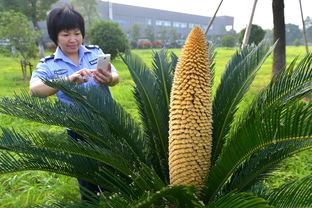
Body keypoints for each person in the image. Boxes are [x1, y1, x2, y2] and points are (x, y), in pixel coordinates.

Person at [29, 6, 119, 203]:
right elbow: (34, 90)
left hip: (108, 123)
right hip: (79, 131)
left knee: (115, 171)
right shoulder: (49, 64)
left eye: (77, 33)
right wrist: (68, 80)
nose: (73, 39)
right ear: (55, 36)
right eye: (66, 34)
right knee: (88, 179)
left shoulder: (96, 53)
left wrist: (109, 79)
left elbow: (116, 76)